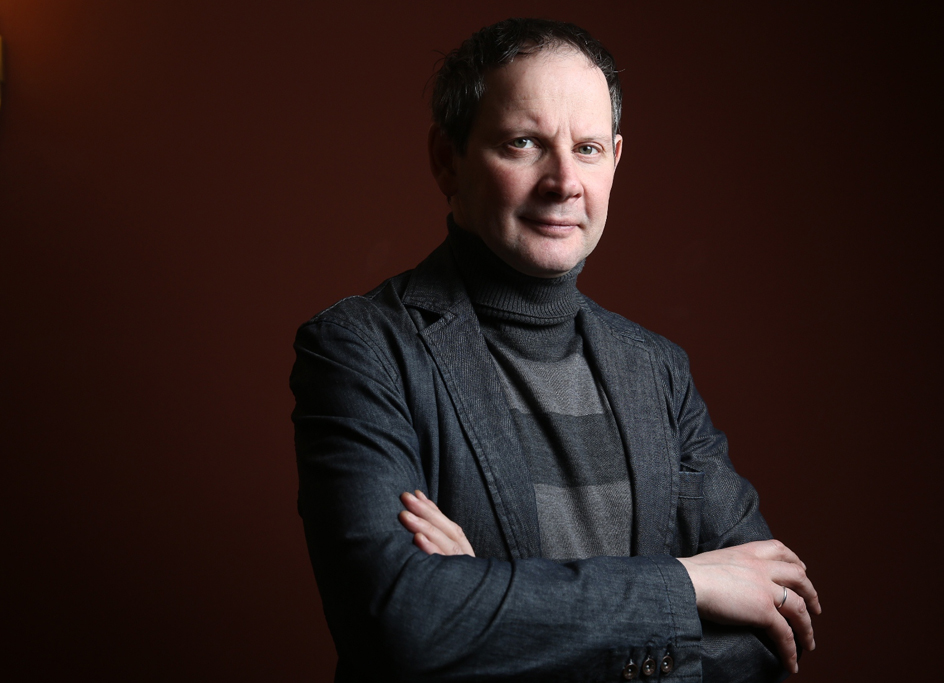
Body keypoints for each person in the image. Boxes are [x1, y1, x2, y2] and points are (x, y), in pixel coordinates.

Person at [291, 18, 820, 682]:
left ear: (615, 161)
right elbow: (405, 623)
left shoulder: (657, 371)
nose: (564, 181)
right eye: (524, 143)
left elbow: (771, 620)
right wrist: (686, 585)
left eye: (588, 148)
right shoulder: (362, 350)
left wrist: (494, 600)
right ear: (447, 159)